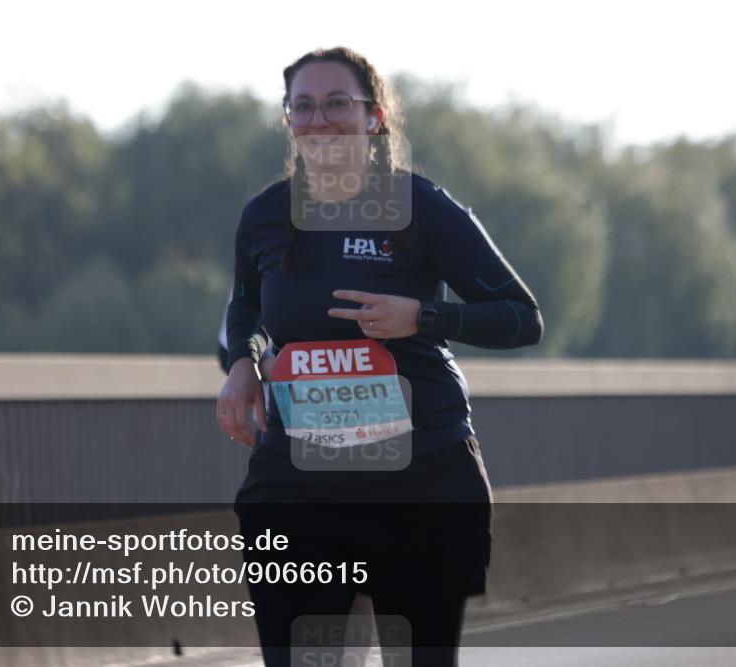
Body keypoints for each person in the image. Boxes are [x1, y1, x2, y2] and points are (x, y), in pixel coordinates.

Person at [216, 47, 543, 666]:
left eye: (338, 103)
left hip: (420, 475)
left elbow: (522, 318)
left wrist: (423, 317)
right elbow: (245, 311)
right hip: (299, 479)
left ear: (375, 116)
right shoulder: (264, 216)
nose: (320, 119)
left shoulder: (423, 209)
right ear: (288, 120)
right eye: (303, 106)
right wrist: (242, 364)